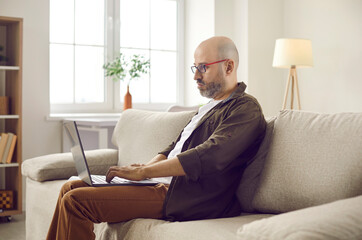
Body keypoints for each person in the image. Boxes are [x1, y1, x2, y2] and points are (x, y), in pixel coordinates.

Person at [47, 36, 266, 240]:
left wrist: (144, 172)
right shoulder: (207, 108)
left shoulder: (245, 109)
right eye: (195, 67)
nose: (196, 76)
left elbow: (211, 154)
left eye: (203, 68)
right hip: (161, 185)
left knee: (76, 202)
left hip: (187, 195)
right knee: (71, 187)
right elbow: (173, 148)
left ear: (228, 66)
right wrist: (141, 172)